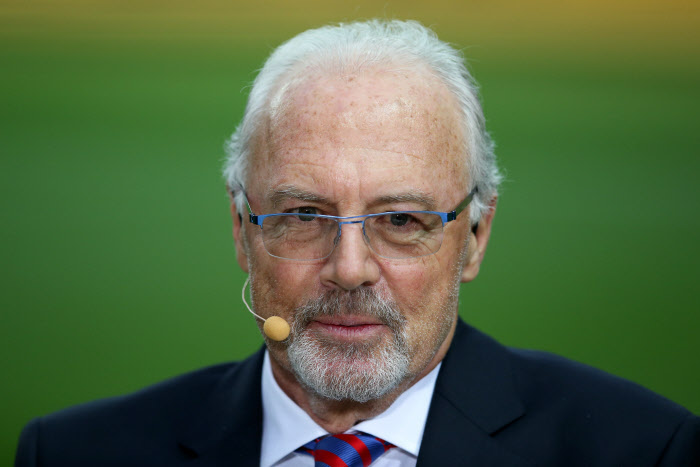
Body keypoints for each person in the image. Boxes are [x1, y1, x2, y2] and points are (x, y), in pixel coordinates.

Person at [15, 20, 699, 467]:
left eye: (400, 220)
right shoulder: (72, 453)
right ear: (242, 230)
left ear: (474, 237)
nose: (349, 269)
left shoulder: (646, 451)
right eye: (304, 214)